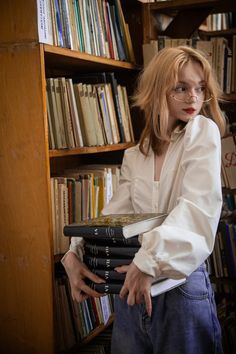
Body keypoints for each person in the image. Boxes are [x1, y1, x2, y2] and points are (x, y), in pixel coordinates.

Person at [62, 46, 226, 354]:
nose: (194, 97)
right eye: (181, 87)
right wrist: (74, 252)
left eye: (200, 88)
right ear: (157, 90)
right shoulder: (135, 156)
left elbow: (197, 211)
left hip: (179, 289)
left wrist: (148, 261)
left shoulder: (202, 132)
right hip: (130, 291)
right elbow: (114, 218)